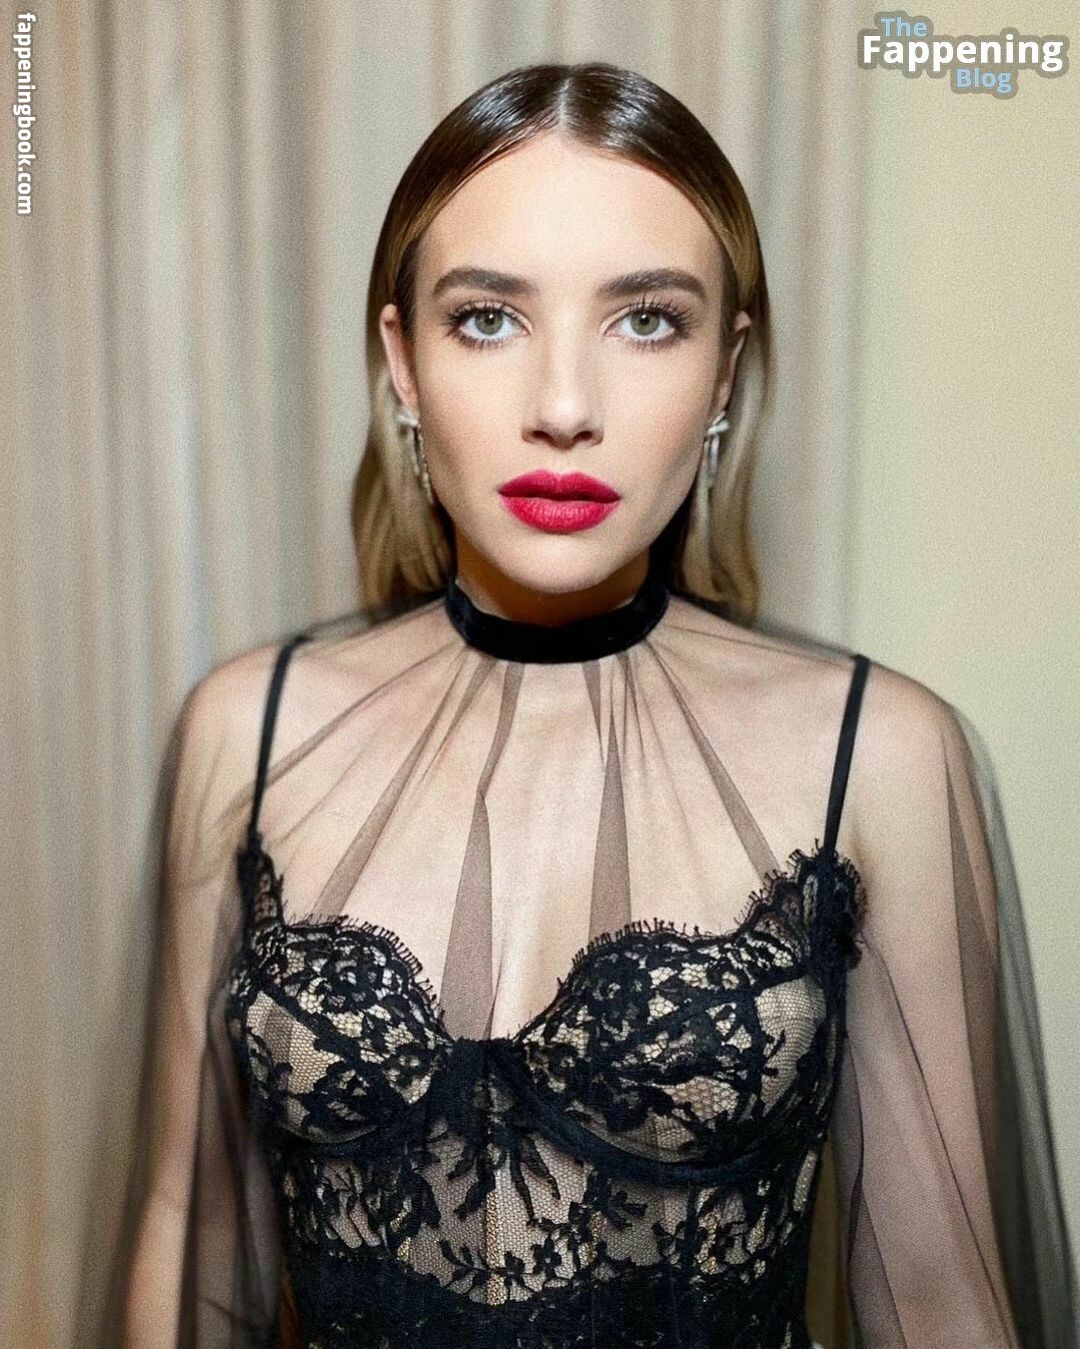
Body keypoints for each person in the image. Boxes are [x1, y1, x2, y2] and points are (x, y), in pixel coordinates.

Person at [104, 62, 1077, 1348]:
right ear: (402, 361)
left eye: (648, 321)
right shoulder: (250, 730)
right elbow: (191, 1246)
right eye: (487, 319)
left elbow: (943, 1304)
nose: (564, 407)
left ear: (726, 373)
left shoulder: (882, 756)